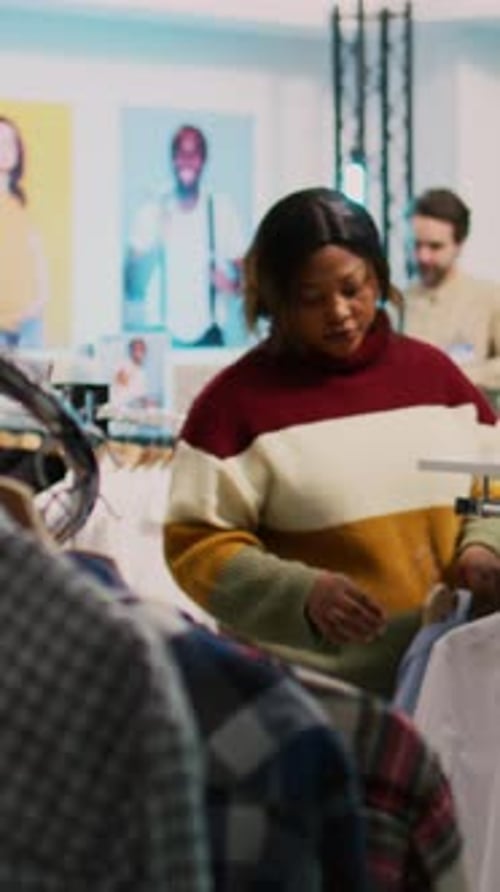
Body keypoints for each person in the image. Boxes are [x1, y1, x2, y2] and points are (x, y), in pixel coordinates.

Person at [163, 187, 500, 697]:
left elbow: (490, 481)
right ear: (275, 301)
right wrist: (300, 595)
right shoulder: (233, 407)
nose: (340, 312)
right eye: (311, 299)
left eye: (354, 288)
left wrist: (482, 545)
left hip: (446, 688)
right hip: (304, 700)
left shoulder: (436, 378)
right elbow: (196, 544)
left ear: (379, 278)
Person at [123, 124, 245, 347]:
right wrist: (155, 243)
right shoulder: (151, 210)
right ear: (172, 159)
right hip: (159, 338)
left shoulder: (221, 209)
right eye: (181, 152)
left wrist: (232, 286)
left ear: (204, 160)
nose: (187, 159)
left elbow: (250, 278)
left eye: (194, 153)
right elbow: (131, 286)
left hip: (209, 337)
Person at [404, 187, 500, 380]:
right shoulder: (396, 304)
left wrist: (453, 378)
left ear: (459, 244)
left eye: (435, 246)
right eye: (416, 245)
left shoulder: (489, 298)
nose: (423, 257)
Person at [0, 115, 50, 348]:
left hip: (28, 325)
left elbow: (37, 256)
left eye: (10, 142)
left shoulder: (24, 203)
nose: (4, 149)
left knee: (31, 384)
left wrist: (39, 302)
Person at [110, 336, 150, 408]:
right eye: (136, 349)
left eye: (142, 349)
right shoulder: (123, 366)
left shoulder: (141, 370)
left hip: (135, 407)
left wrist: (146, 401)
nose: (139, 352)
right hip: (121, 406)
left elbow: (141, 392)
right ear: (131, 350)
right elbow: (123, 390)